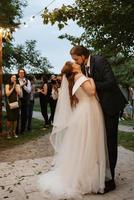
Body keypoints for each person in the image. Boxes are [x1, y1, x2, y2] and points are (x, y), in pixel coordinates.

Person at [38, 62, 111, 199]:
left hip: (82, 111)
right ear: (73, 69)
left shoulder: (74, 79)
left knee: (83, 143)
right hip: (88, 111)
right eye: (74, 63)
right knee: (89, 143)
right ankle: (86, 177)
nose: (76, 63)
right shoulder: (81, 77)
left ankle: (83, 173)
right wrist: (92, 80)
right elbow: (91, 91)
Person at [70, 45, 128, 192]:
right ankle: (102, 174)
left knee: (110, 142)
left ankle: (110, 180)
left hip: (111, 106)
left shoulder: (99, 61)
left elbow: (111, 82)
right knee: (101, 143)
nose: (75, 62)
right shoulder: (83, 67)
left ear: (83, 55)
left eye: (76, 59)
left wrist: (92, 82)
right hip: (99, 109)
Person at [17, 69, 31, 134]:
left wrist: (24, 85)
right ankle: (16, 130)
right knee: (17, 114)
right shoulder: (16, 80)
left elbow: (29, 91)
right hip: (17, 99)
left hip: (25, 99)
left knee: (24, 115)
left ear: (24, 73)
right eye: (20, 72)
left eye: (22, 72)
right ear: (18, 73)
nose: (21, 74)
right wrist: (21, 85)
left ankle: (22, 130)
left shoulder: (27, 81)